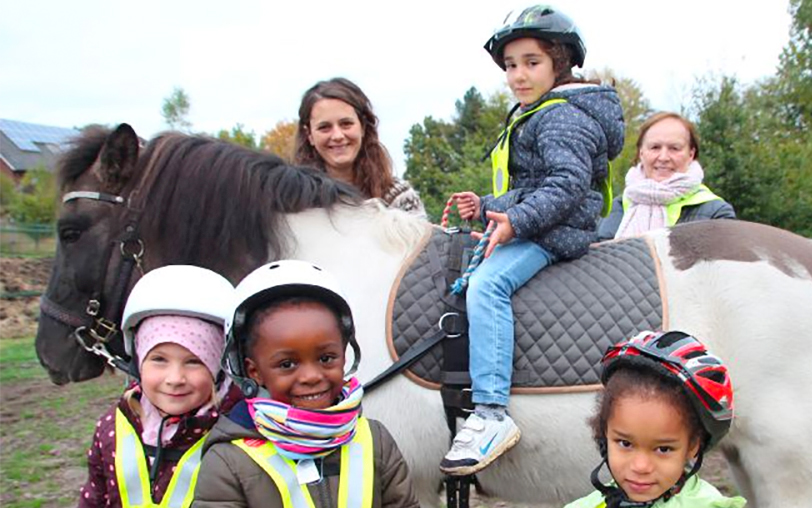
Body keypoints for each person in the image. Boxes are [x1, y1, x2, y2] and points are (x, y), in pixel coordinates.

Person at [440, 5, 625, 476]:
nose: (518, 75)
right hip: (541, 221)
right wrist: (484, 205)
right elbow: (534, 184)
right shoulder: (541, 113)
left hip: (555, 232)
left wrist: (516, 222)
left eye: (531, 63)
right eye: (510, 65)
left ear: (559, 63)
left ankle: (491, 413)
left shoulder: (562, 118)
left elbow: (564, 185)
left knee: (487, 286)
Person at [186, 260, 428, 508]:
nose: (312, 375)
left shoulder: (376, 443)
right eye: (287, 364)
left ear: (345, 355)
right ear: (253, 371)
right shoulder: (229, 464)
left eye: (326, 358)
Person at [539, 330, 782, 508]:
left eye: (663, 449)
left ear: (693, 446)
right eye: (625, 444)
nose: (641, 466)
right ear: (604, 434)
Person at [51, 265, 236, 508]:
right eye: (159, 359)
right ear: (137, 361)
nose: (175, 377)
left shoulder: (233, 436)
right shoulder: (113, 429)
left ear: (219, 365)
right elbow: (95, 502)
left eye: (194, 361)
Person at [294, 77, 426, 217]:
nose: (337, 136)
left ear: (363, 127)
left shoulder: (399, 198)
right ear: (309, 135)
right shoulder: (294, 202)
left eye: (346, 124)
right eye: (324, 127)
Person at [597, 112, 736, 240]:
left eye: (674, 148)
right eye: (655, 147)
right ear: (641, 153)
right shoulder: (613, 209)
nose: (663, 157)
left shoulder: (716, 213)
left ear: (691, 154)